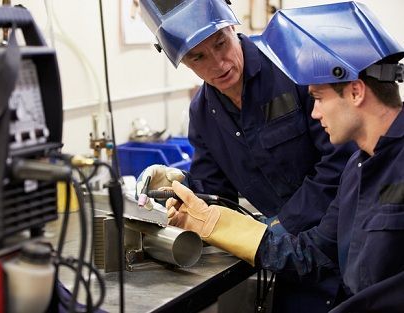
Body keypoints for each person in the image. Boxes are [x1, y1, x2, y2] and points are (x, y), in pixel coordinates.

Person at [165, 2, 404, 312]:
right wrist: (201, 210)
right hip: (312, 269)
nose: (316, 112)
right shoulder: (358, 172)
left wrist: (277, 224)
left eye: (318, 98)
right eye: (198, 57)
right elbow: (313, 253)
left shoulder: (288, 69)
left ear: (356, 92)